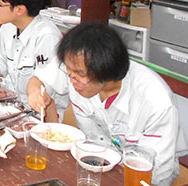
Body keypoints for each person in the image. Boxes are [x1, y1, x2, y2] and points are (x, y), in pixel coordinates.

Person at [27, 22, 188, 186]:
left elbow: (158, 177)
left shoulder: (155, 101)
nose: (71, 79)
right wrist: (34, 90)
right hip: (94, 168)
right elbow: (38, 80)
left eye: (79, 75)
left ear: (106, 70)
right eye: (69, 72)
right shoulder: (76, 71)